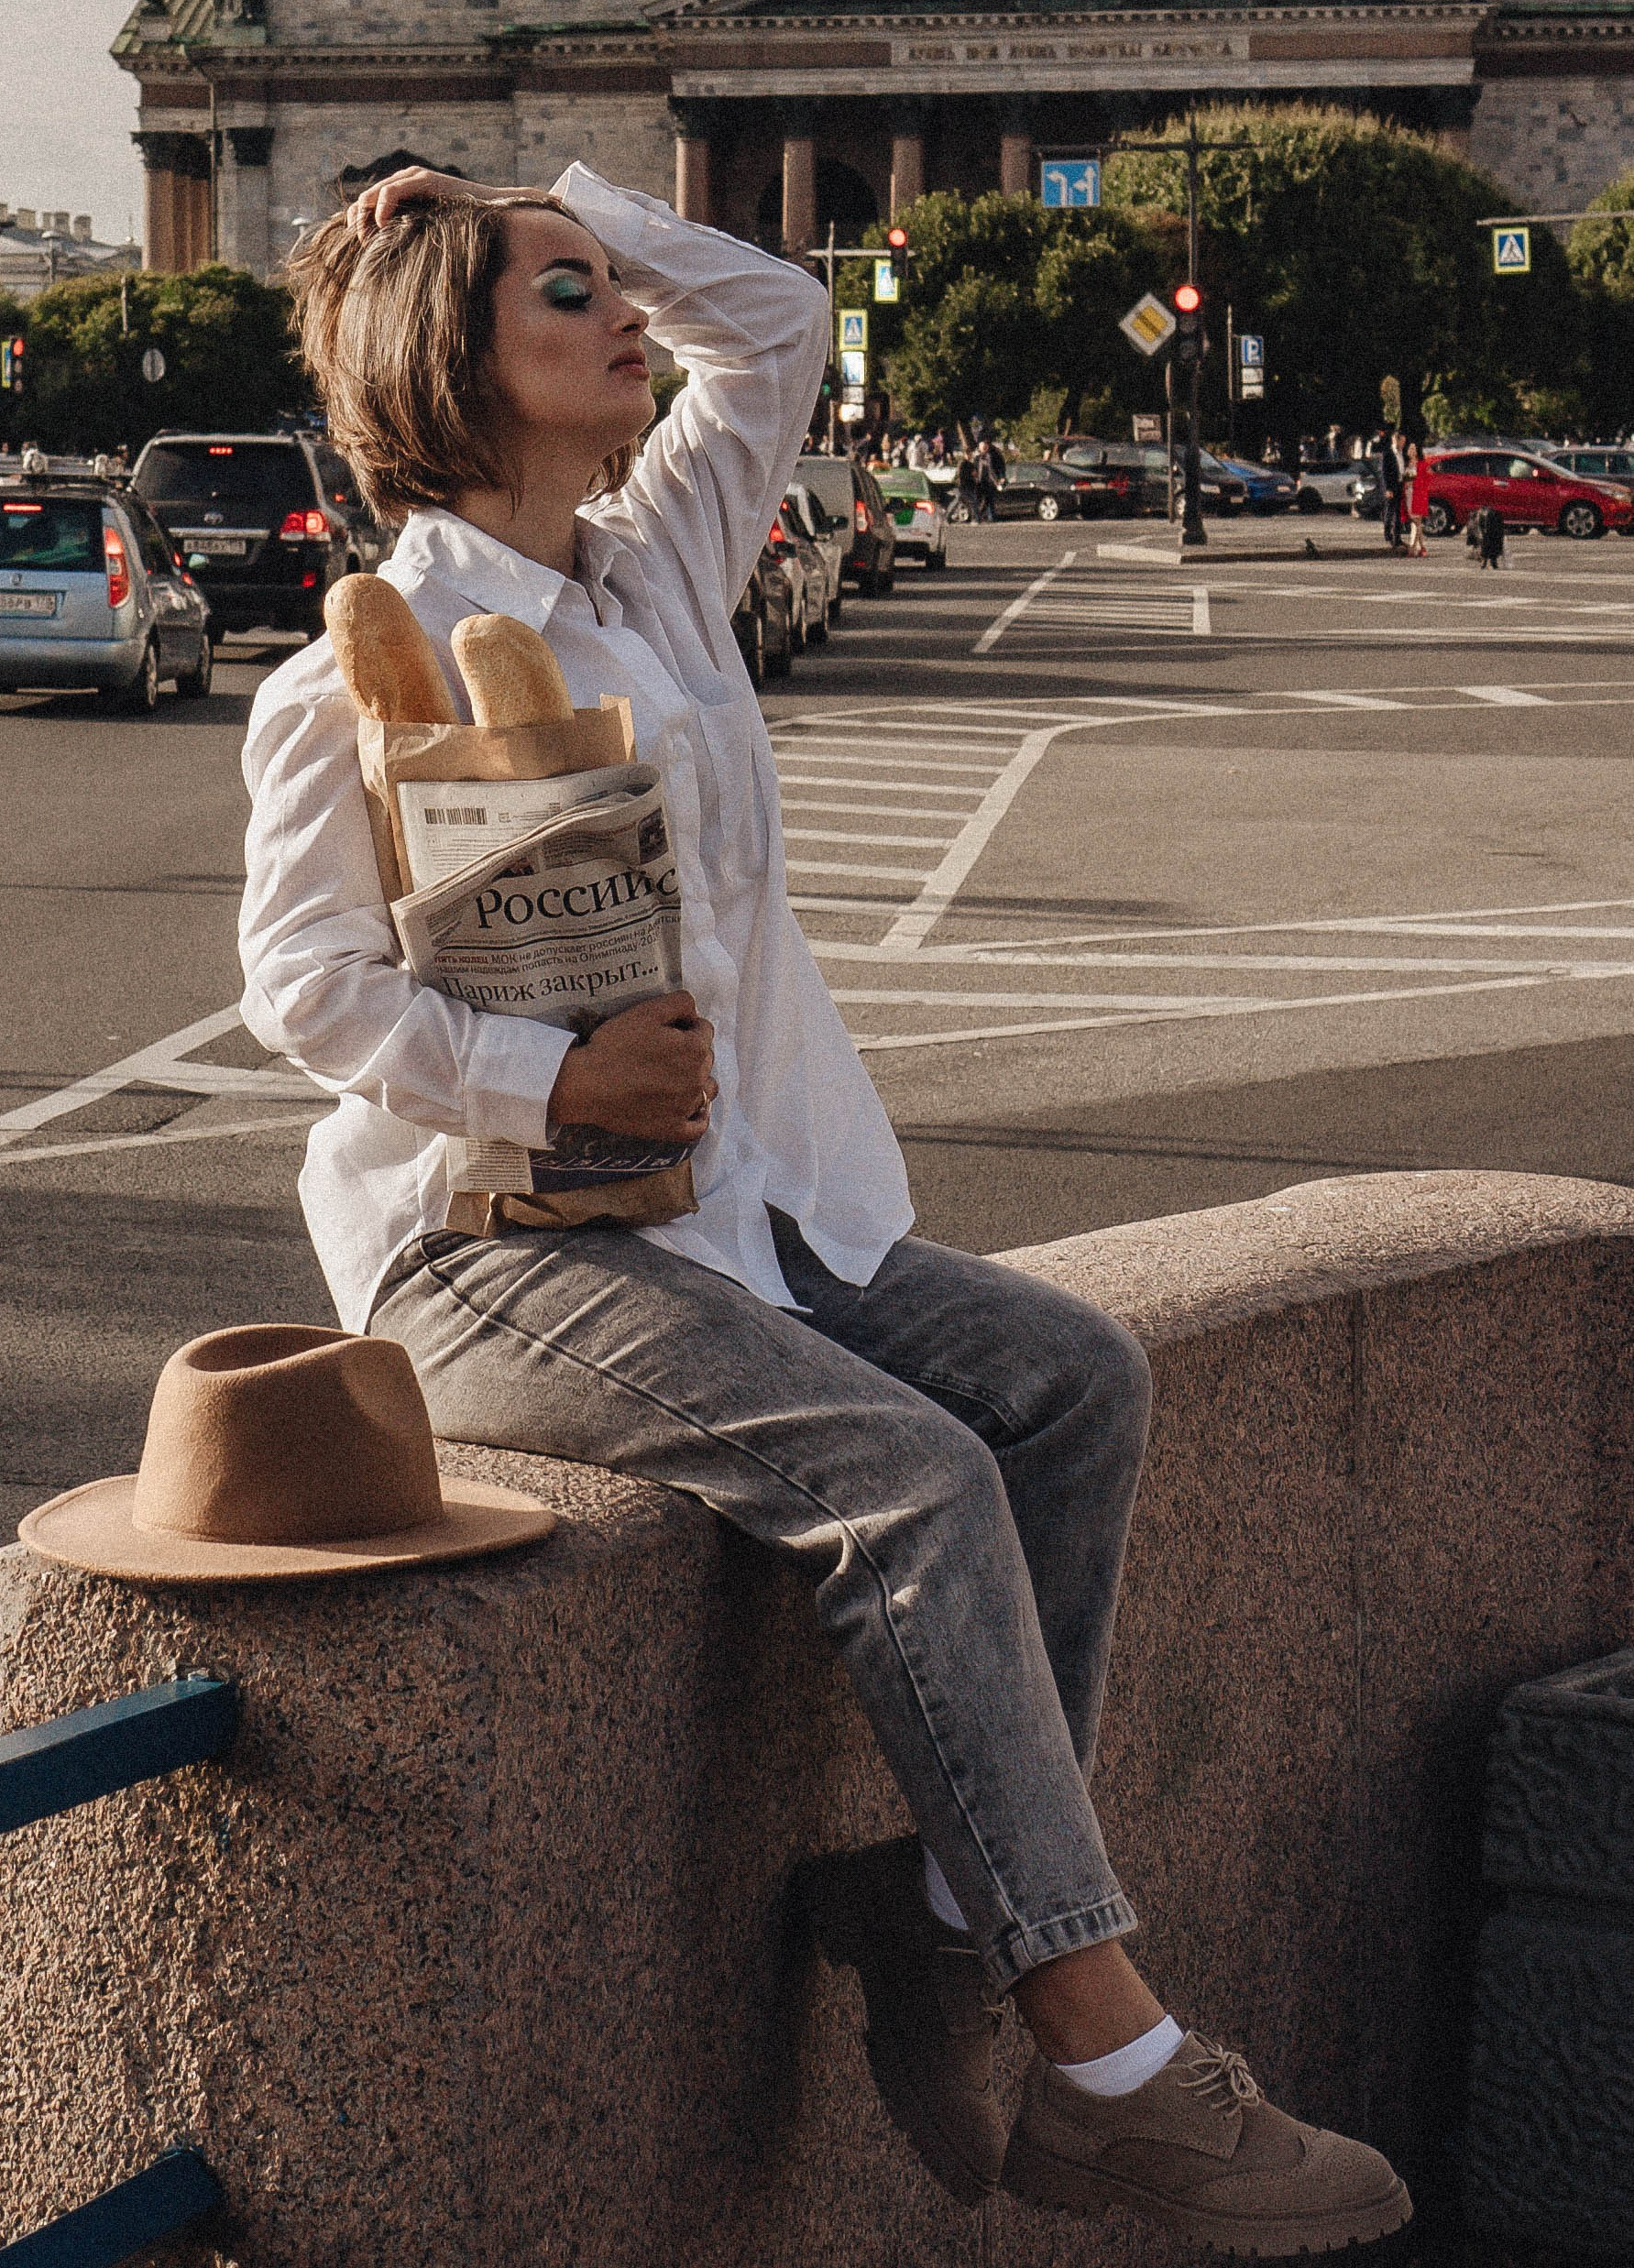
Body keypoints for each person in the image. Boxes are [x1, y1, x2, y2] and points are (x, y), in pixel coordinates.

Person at [237, 165, 1412, 2251]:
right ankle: (1111, 2054)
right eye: (564, 298)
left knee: (1064, 1378)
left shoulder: (656, 571)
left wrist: (542, 198)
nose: (622, 319)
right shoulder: (374, 651)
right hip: (489, 1250)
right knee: (909, 1471)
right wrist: (540, 1074)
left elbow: (773, 317)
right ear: (454, 361)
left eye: (607, 289)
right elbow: (304, 984)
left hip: (739, 1201)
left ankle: (937, 1907)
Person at [1376, 430, 1405, 554]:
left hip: (1400, 485)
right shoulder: (1388, 454)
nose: (1403, 444)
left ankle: (1397, 538)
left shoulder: (1401, 454)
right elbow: (1384, 473)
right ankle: (1387, 533)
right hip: (1391, 487)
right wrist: (1387, 488)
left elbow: (1402, 468)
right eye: (1401, 441)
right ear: (1395, 440)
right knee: (1390, 510)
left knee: (1398, 513)